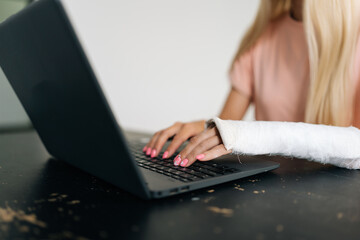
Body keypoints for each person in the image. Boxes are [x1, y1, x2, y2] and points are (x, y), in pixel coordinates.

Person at [142, 0, 360, 168]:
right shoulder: (262, 35)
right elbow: (229, 127)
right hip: (271, 191)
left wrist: (247, 135)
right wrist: (197, 131)